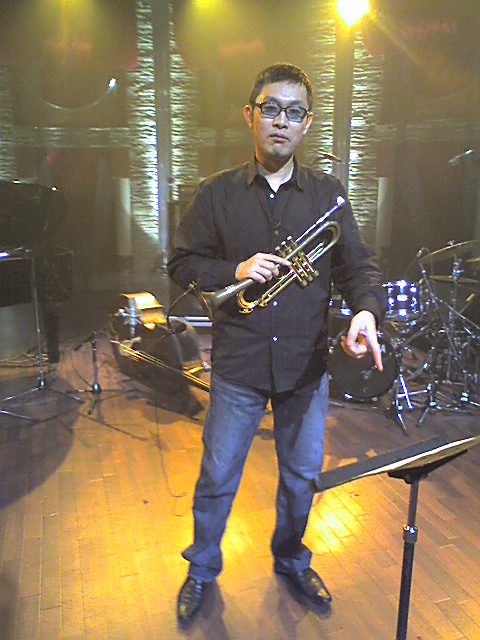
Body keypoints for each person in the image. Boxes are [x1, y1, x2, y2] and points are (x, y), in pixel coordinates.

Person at [167, 62, 387, 623]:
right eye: (270, 109)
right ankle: (201, 569)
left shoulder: (328, 194)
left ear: (307, 122)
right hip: (239, 365)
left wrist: (365, 310)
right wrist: (234, 269)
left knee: (301, 479)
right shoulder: (216, 194)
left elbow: (357, 264)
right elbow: (181, 263)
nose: (281, 121)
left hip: (304, 367)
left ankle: (290, 559)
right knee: (217, 477)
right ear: (250, 115)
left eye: (294, 112)